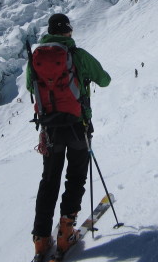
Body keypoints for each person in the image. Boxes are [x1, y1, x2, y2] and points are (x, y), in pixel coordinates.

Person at [28, 13, 111, 260]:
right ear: (68, 32)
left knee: (49, 180)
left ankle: (41, 240)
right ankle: (66, 232)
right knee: (75, 177)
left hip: (50, 129)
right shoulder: (77, 55)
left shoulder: (35, 58)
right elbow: (104, 80)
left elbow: (29, 86)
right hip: (77, 125)